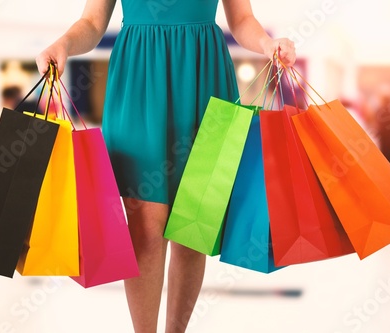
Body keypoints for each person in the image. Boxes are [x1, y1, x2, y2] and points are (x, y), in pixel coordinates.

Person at [36, 1, 296, 332]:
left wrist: (267, 44)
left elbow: (242, 18)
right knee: (145, 224)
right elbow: (92, 21)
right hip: (138, 80)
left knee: (193, 225)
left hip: (204, 77)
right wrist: (65, 44)